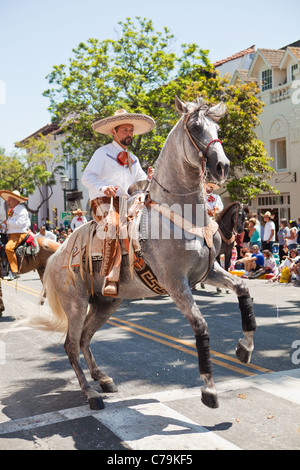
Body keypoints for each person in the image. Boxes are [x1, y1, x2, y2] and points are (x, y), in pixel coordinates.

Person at [82, 108, 155, 296]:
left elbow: (139, 183)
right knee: (113, 225)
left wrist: (150, 179)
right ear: (114, 132)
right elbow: (87, 177)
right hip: (103, 201)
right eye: (125, 130)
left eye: (131, 130)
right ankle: (110, 276)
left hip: (127, 202)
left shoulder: (134, 159)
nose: (129, 134)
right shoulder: (102, 153)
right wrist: (103, 187)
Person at [0, 190, 30, 280]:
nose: (8, 202)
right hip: (12, 234)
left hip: (19, 234)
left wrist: (7, 222)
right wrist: (3, 225)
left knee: (8, 248)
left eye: (10, 200)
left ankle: (14, 271)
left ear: (16, 201)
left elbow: (20, 223)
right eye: (8, 200)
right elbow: (10, 224)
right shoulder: (12, 211)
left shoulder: (22, 210)